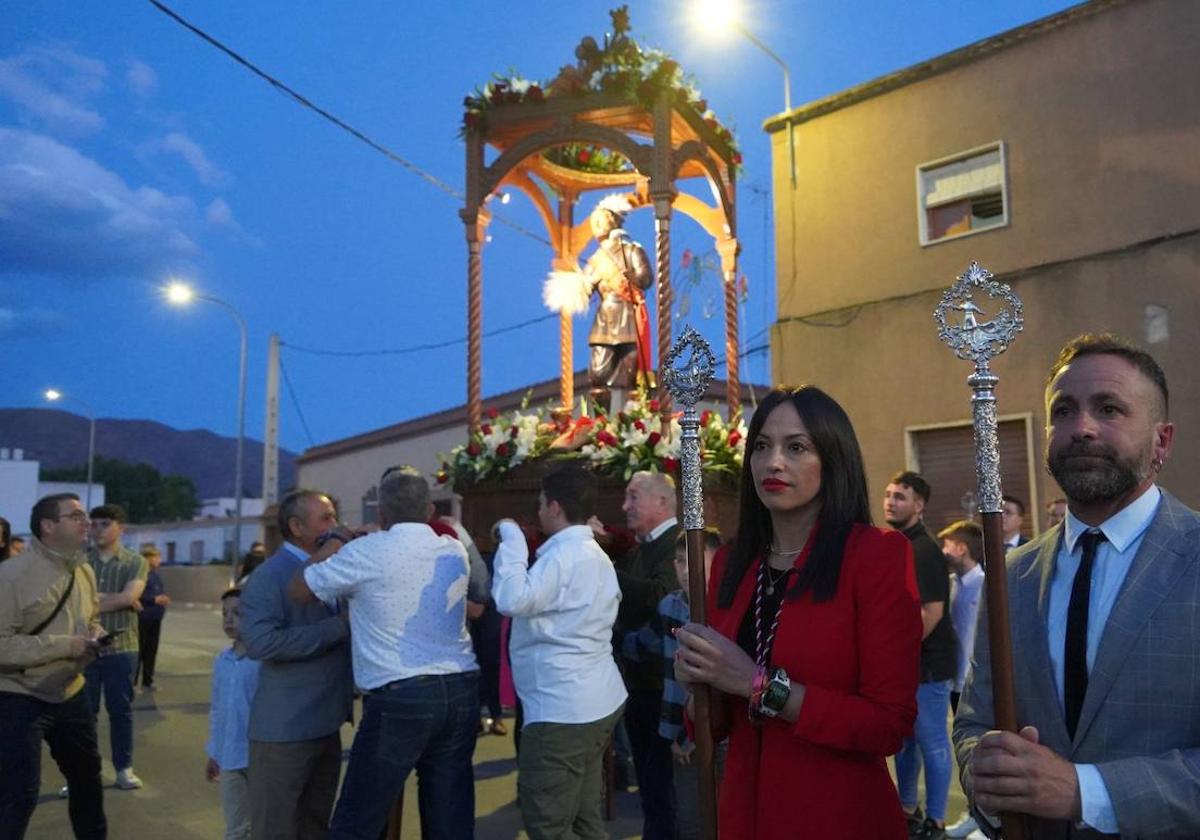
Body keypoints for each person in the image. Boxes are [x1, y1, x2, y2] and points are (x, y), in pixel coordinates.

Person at [955, 333, 1200, 839]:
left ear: (1162, 441)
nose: (1082, 428)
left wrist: (1083, 791)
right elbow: (974, 725)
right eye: (1063, 411)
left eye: (1109, 409)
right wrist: (989, 777)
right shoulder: (1013, 576)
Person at [675, 386, 922, 839]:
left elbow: (887, 725)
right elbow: (713, 721)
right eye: (762, 446)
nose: (774, 462)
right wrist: (698, 681)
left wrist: (756, 684)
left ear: (833, 458)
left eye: (796, 447)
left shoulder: (875, 557)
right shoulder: (732, 563)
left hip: (837, 814)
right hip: (742, 814)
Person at [291, 465, 480, 839]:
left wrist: (334, 543)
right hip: (459, 688)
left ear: (381, 513)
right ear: (429, 511)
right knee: (449, 817)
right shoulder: (452, 547)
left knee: (357, 819)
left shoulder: (366, 551)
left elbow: (299, 591)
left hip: (400, 695)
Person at [492, 465, 627, 840]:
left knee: (548, 823)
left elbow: (511, 598)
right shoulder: (592, 554)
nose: (537, 512)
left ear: (553, 507)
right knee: (584, 817)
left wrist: (512, 543)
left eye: (539, 505)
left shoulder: (563, 556)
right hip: (594, 700)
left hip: (563, 712)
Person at [239, 489, 353, 840]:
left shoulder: (331, 569)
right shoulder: (269, 577)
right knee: (276, 828)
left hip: (325, 723)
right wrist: (338, 628)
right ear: (296, 526)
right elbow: (261, 643)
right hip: (285, 731)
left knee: (315, 824)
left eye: (334, 516)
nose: (335, 526)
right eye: (326, 518)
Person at [0, 493, 107, 839]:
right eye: (75, 516)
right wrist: (66, 645)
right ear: (48, 526)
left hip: (71, 692)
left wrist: (94, 634)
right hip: (18, 696)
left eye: (84, 516)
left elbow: (88, 619)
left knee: (88, 783)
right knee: (19, 796)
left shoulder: (85, 571)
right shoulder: (10, 576)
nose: (86, 522)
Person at [624, 528, 724, 840]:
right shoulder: (670, 606)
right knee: (689, 818)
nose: (686, 570)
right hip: (678, 732)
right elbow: (642, 643)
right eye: (680, 562)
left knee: (725, 812)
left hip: (721, 732)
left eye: (694, 560)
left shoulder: (726, 607)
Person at [884, 471, 958, 839]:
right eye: (889, 494)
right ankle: (907, 810)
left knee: (931, 741)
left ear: (919, 505)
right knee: (906, 743)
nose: (891, 501)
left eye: (901, 496)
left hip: (927, 664)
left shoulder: (923, 549)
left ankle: (937, 820)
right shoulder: (898, 544)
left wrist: (895, 655)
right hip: (908, 664)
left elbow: (930, 612)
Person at [615, 470, 682, 840]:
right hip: (642, 686)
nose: (625, 506)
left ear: (661, 501)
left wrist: (606, 570)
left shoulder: (676, 545)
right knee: (652, 791)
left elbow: (661, 600)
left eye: (633, 496)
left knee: (664, 792)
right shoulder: (642, 549)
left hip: (663, 688)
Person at [85, 503, 149, 791]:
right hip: (84, 648)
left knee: (120, 711)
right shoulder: (80, 560)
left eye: (104, 524)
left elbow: (129, 597)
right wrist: (120, 598)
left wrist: (96, 599)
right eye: (94, 523)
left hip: (122, 647)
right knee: (83, 715)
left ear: (120, 528)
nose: (97, 529)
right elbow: (68, 598)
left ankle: (124, 768)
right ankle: (82, 773)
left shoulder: (135, 561)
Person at [937, 520, 985, 840]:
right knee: (964, 750)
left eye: (948, 544)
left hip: (977, 680)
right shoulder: (952, 583)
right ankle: (975, 814)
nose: (944, 551)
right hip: (954, 681)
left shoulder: (985, 582)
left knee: (983, 750)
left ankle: (983, 818)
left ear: (962, 547)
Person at [583, 195, 653, 401]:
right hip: (604, 318)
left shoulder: (632, 250)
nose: (595, 225)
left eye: (600, 219)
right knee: (597, 374)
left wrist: (632, 277)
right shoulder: (596, 258)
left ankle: (636, 422)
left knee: (633, 374)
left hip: (628, 315)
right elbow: (585, 289)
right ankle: (600, 425)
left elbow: (645, 278)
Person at [206, 587, 260, 840]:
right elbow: (217, 708)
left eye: (238, 613)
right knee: (236, 827)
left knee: (264, 823)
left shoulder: (262, 661)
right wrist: (214, 752)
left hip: (260, 757)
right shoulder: (222, 660)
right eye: (225, 613)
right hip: (229, 758)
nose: (229, 619)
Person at [136, 544, 170, 692]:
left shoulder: (156, 575)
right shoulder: (140, 575)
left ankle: (148, 680)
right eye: (156, 557)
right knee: (139, 650)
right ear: (148, 558)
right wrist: (154, 599)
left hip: (156, 618)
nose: (159, 560)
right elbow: (136, 595)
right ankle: (133, 681)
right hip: (143, 618)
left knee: (151, 650)